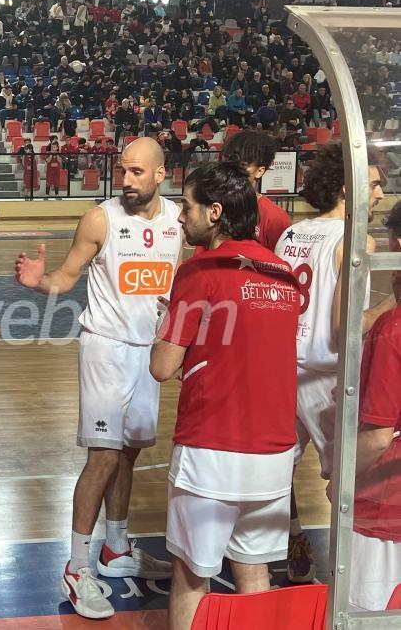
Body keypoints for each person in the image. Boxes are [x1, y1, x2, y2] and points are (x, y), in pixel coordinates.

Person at [15, 137, 180, 619]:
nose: (125, 180)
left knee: (130, 452)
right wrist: (40, 282)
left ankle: (115, 548)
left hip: (149, 352)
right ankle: (75, 565)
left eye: (135, 172)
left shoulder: (176, 220)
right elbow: (66, 277)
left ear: (159, 174)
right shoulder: (100, 218)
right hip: (106, 349)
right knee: (104, 456)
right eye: (122, 171)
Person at [151, 161, 300, 630]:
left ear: (214, 212)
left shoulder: (200, 272)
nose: (179, 216)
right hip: (275, 454)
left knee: (192, 575)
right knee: (254, 576)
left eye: (187, 206)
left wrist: (169, 324)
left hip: (211, 451)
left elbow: (162, 366)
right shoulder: (284, 272)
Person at [274, 142, 397, 583]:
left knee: (280, 468)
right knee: (348, 481)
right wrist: (389, 308)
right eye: (376, 185)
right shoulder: (355, 238)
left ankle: (292, 537)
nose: (381, 194)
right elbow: (346, 327)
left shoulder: (291, 233)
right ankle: (353, 577)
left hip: (284, 370)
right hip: (328, 378)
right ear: (349, 188)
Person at [348, 200, 401, 611]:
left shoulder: (393, 330)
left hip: (385, 507)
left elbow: (379, 435)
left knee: (368, 612)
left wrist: (343, 480)